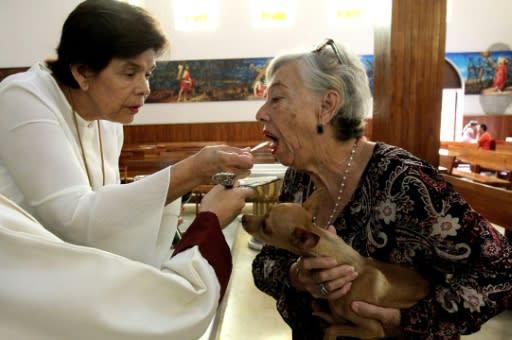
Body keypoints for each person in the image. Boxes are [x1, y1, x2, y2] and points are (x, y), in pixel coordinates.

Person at [0, 1, 255, 336]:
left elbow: (105, 210)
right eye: (129, 72)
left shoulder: (108, 118)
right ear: (82, 72)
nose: (145, 88)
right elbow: (73, 220)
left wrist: (157, 209)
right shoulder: (22, 96)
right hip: (24, 291)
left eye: (148, 73)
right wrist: (192, 171)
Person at [251, 38, 512, 339]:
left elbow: (502, 270)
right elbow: (266, 263)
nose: (261, 113)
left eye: (276, 99)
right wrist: (298, 276)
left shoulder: (405, 182)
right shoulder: (300, 178)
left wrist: (406, 320)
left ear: (327, 106)